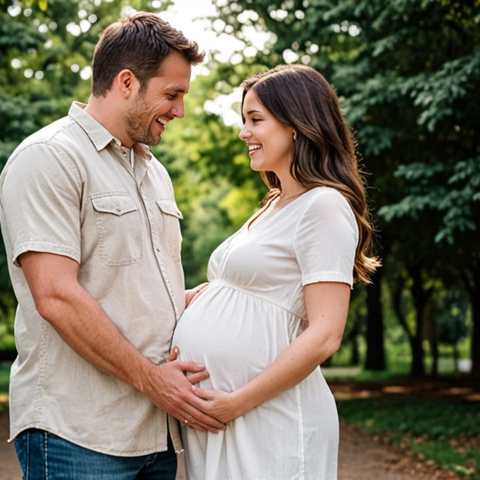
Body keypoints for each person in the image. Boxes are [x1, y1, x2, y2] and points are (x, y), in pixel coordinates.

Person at [0, 12, 224, 480]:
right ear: (126, 82)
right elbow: (56, 296)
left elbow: (122, 288)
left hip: (155, 434)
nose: (180, 110)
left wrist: (197, 304)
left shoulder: (153, 171)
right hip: (76, 434)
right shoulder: (49, 158)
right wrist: (153, 381)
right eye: (172, 94)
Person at [171, 64, 380, 479]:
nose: (243, 133)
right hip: (228, 419)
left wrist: (238, 401)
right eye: (243, 120)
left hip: (268, 417)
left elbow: (325, 335)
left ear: (297, 125)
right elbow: (238, 290)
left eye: (255, 120)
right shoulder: (273, 203)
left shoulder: (324, 206)